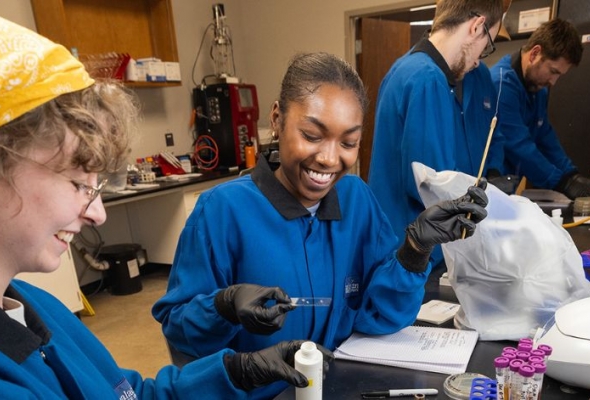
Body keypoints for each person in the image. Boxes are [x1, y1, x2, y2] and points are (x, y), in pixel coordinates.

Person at [0, 12, 332, 399]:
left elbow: (126, 393)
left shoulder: (36, 306)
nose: (97, 213)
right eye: (76, 182)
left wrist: (238, 373)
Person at [152, 51, 489, 399]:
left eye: (348, 142)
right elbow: (179, 328)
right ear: (278, 118)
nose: (330, 159)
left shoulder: (356, 199)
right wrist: (223, 306)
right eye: (312, 135)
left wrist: (414, 250)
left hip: (340, 387)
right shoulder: (222, 210)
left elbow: (381, 317)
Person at [367, 0, 505, 268]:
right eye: (486, 46)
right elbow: (434, 187)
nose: (479, 61)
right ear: (477, 27)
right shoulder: (429, 79)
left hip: (396, 243)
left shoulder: (404, 67)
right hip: (414, 252)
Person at [488, 18, 589, 199]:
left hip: (509, 190)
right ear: (535, 53)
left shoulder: (536, 86)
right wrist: (561, 182)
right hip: (491, 188)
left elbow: (544, 135)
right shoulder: (502, 84)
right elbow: (518, 145)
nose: (553, 82)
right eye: (553, 71)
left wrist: (571, 174)